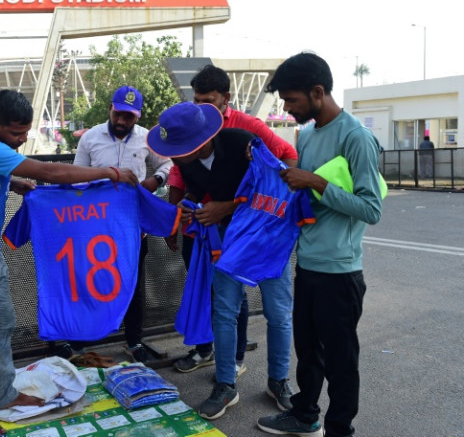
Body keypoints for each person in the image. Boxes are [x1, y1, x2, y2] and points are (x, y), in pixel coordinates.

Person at [0, 89, 137, 436]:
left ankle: (3, 394)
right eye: (16, 134)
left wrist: (10, 182)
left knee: (3, 326)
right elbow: (51, 171)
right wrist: (109, 173)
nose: (22, 140)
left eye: (26, 132)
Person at [257, 52, 383, 437]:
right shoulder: (307, 135)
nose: (286, 108)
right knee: (308, 352)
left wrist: (315, 182)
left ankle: (340, 428)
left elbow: (370, 208)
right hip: (307, 265)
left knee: (342, 361)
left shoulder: (356, 137)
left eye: (291, 100)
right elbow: (303, 198)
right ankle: (304, 414)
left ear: (317, 92)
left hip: (340, 272)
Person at [146, 101, 295, 420]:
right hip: (227, 241)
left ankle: (279, 381)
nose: (173, 155)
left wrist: (226, 207)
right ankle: (226, 385)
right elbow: (200, 193)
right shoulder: (185, 163)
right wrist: (190, 206)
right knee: (224, 310)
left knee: (278, 312)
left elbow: (283, 174)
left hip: (269, 236)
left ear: (200, 140)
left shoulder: (243, 143)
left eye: (178, 148)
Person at [168, 64, 298, 378]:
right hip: (213, 232)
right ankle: (222, 374)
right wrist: (178, 213)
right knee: (220, 303)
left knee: (275, 311)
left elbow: (285, 159)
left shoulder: (245, 134)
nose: (201, 109)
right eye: (196, 101)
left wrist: (278, 195)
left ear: (226, 98)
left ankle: (271, 377)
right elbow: (185, 181)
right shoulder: (186, 149)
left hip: (261, 231)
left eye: (208, 102)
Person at [55, 85, 172, 363]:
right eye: (118, 114)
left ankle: (133, 342)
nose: (121, 121)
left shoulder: (147, 139)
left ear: (138, 116)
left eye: (128, 117)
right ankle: (79, 343)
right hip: (95, 226)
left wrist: (155, 181)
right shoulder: (91, 138)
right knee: (89, 280)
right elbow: (76, 177)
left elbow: (168, 166)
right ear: (110, 107)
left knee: (133, 283)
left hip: (133, 226)